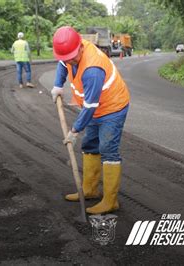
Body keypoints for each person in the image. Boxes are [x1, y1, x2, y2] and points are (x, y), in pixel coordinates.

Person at [51, 26, 130, 214]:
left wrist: (74, 131)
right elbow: (63, 64)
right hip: (95, 108)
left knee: (107, 148)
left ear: (79, 47)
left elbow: (89, 106)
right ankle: (89, 190)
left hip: (112, 107)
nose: (69, 60)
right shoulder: (69, 54)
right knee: (90, 145)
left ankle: (111, 201)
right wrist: (57, 85)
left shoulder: (92, 69)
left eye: (71, 56)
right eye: (65, 57)